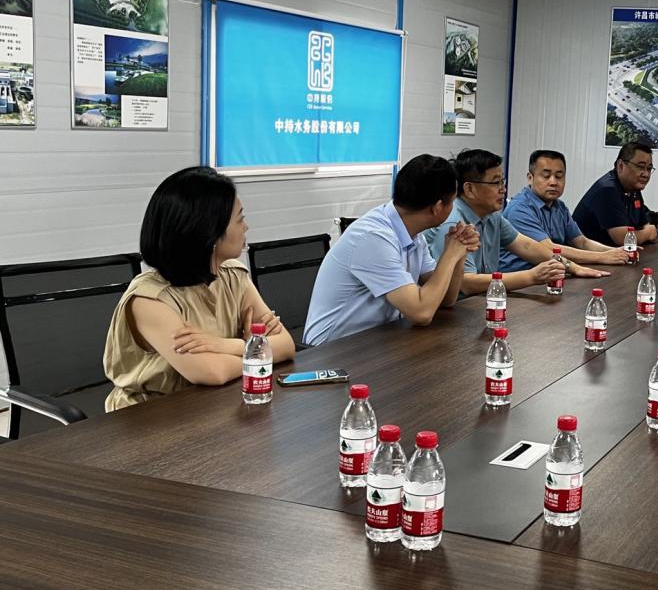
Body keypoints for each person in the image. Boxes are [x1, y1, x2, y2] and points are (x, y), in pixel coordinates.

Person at [104, 167, 296, 410]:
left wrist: (226, 345)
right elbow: (213, 372)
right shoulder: (149, 300)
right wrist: (258, 351)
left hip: (213, 407)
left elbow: (286, 345)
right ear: (210, 233)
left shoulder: (233, 276)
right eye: (239, 219)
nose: (246, 227)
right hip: (150, 417)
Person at [303, 154, 480, 346]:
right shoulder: (373, 237)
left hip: (378, 342)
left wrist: (459, 251)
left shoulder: (413, 233)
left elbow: (446, 300)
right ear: (437, 207)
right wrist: (450, 255)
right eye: (452, 201)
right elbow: (421, 313)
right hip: (331, 351)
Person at [426, 149, 607, 296]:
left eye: (502, 181)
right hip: (454, 311)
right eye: (496, 183)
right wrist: (531, 276)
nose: (503, 189)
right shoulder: (452, 224)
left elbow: (527, 246)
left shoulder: (492, 216)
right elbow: (466, 284)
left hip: (485, 300)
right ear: (470, 189)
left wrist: (571, 267)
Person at [500, 149, 630, 272]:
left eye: (559, 176)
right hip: (521, 279)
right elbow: (548, 249)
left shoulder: (559, 207)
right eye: (546, 176)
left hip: (552, 272)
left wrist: (617, 251)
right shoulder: (519, 209)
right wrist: (602, 257)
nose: (553, 182)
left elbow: (581, 242)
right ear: (530, 178)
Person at [573, 141, 658, 246]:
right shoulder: (607, 190)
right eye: (640, 167)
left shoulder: (633, 189)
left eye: (649, 168)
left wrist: (647, 229)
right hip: (587, 253)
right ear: (621, 166)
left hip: (612, 253)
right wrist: (647, 233)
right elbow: (624, 239)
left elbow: (643, 223)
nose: (646, 174)